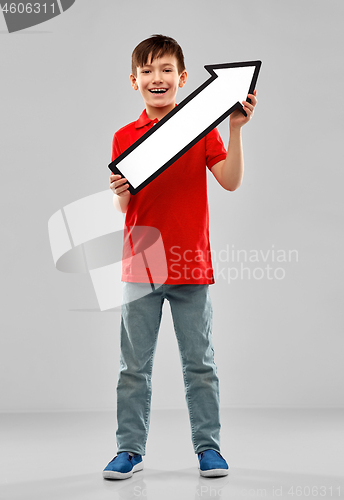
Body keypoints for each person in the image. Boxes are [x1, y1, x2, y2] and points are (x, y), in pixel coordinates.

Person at [103, 34, 257, 480]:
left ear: (183, 78)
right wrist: (121, 193)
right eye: (148, 71)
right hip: (140, 265)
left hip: (191, 262)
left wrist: (235, 129)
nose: (157, 78)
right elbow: (122, 206)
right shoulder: (123, 137)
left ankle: (209, 448)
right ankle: (128, 450)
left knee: (200, 363)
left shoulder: (201, 129)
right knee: (134, 367)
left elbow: (229, 181)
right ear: (134, 80)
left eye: (166, 70)